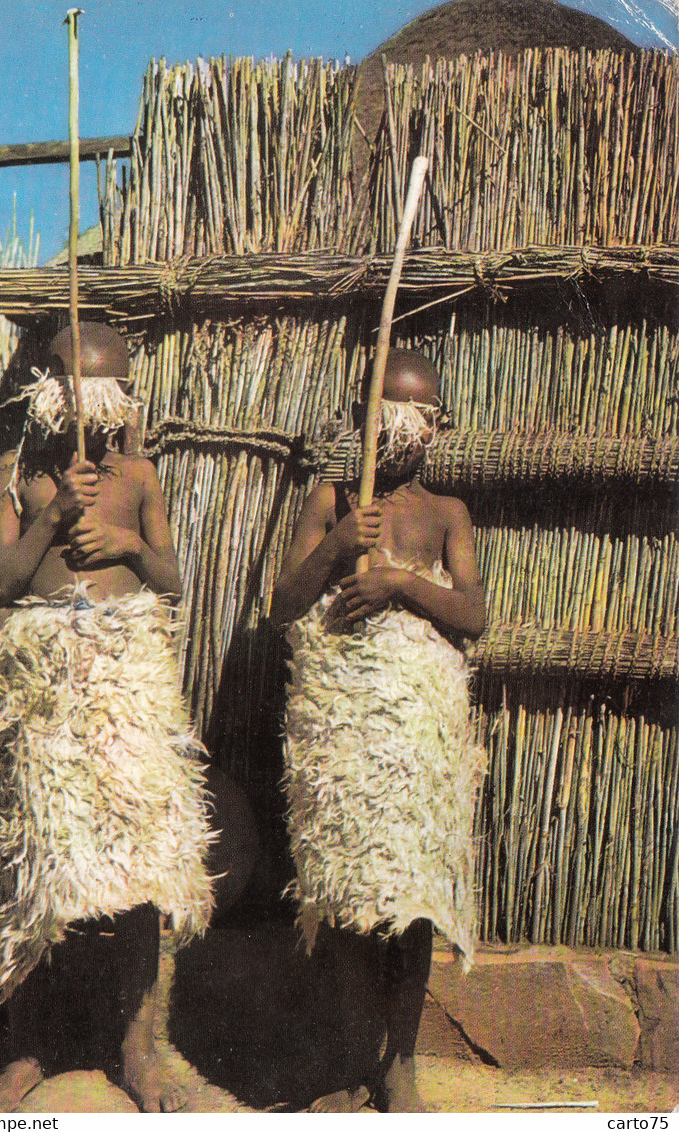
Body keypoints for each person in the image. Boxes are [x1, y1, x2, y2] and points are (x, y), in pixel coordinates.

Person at [0, 322, 257, 1112]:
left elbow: (170, 580)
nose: (85, 420)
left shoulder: (137, 473)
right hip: (45, 675)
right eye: (72, 400)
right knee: (35, 860)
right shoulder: (15, 471)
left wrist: (127, 538)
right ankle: (25, 1047)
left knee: (135, 862)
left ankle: (137, 1046)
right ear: (45, 394)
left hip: (126, 676)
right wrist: (51, 515)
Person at [270, 347, 487, 1113]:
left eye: (416, 418)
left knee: (411, 894)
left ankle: (400, 1066)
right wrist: (336, 546)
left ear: (437, 426)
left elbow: (476, 615)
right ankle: (354, 1053)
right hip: (346, 726)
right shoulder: (331, 502)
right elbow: (283, 603)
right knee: (352, 890)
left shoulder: (445, 514)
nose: (399, 435)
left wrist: (398, 581)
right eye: (382, 417)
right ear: (358, 421)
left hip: (417, 727)